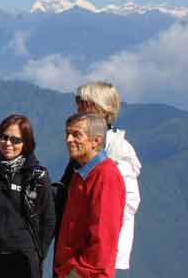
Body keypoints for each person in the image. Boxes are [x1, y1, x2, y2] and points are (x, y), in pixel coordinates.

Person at [74, 82, 141, 271]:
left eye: (85, 103)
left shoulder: (118, 149)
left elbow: (127, 202)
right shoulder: (84, 146)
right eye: (78, 102)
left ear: (103, 110)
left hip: (100, 257)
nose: (79, 108)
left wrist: (102, 249)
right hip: (77, 248)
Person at [0, 114, 55, 278]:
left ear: (26, 143)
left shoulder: (37, 175)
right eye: (4, 137)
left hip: (25, 260)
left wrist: (38, 253)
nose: (8, 143)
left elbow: (48, 219)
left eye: (15, 140)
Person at [54, 113, 125, 278]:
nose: (69, 140)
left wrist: (78, 272)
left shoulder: (106, 176)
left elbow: (103, 235)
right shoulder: (80, 174)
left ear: (96, 141)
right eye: (67, 134)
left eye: (76, 135)